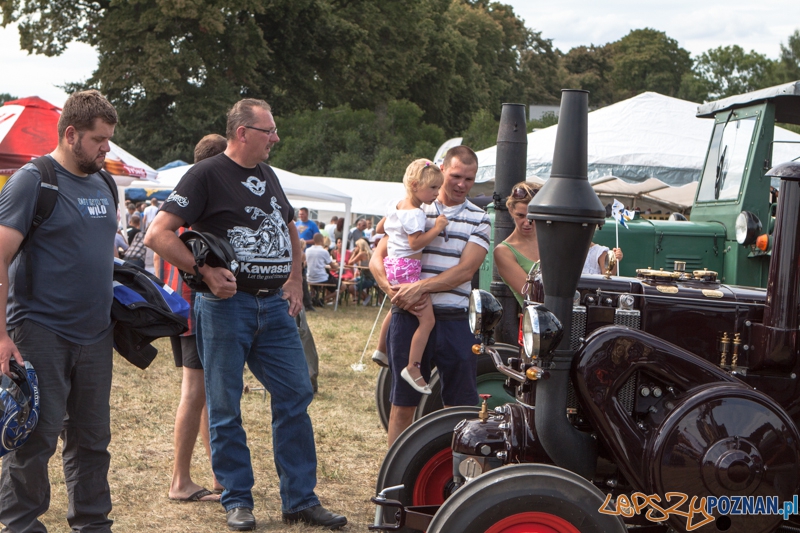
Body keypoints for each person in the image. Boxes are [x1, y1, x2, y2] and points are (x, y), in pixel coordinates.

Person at [145, 98, 346, 531]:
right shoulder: (205, 174)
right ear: (242, 133)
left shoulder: (266, 174)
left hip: (273, 305)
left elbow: (288, 225)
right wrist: (203, 270)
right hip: (224, 307)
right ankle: (237, 499)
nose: (275, 138)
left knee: (295, 394)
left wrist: (295, 279)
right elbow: (157, 234)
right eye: (268, 130)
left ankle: (300, 500)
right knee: (224, 404)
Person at [0, 90, 119, 532]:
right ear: (71, 134)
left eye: (108, 139)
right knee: (35, 436)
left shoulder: (104, 183)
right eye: (98, 140)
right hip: (40, 331)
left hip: (95, 335)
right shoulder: (34, 180)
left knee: (92, 440)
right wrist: (1, 336)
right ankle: (20, 524)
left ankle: (91, 523)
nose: (106, 148)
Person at [370, 146, 490, 446]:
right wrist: (390, 289)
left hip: (454, 317)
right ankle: (393, 485)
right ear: (441, 170)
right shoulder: (414, 207)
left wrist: (420, 287)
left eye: (470, 179)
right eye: (456, 176)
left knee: (461, 408)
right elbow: (377, 258)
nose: (462, 184)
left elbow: (466, 270)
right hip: (409, 315)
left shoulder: (480, 217)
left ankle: (459, 481)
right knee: (402, 404)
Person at [163, 133, 227, 504]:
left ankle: (217, 473)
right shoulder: (204, 199)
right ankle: (180, 481)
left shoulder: (187, 196)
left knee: (203, 393)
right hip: (194, 307)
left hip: (181, 303)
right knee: (195, 393)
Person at [382, 159, 448, 394]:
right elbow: (415, 242)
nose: (436, 193)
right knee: (427, 321)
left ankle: (381, 348)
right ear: (414, 184)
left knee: (396, 306)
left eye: (438, 188)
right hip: (408, 269)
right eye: (432, 188)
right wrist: (437, 227)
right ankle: (413, 367)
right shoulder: (416, 214)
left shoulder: (397, 205)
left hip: (393, 266)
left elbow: (382, 228)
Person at [494, 182, 541, 307]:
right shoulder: (504, 251)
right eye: (521, 216)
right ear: (510, 210)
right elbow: (534, 296)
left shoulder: (553, 239)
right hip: (538, 321)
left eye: (532, 216)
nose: (527, 222)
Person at [306, 233, 340, 304]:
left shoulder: (307, 250)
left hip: (310, 277)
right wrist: (339, 267)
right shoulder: (324, 251)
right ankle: (322, 299)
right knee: (343, 287)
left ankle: (314, 296)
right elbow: (333, 267)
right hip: (321, 277)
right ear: (322, 240)